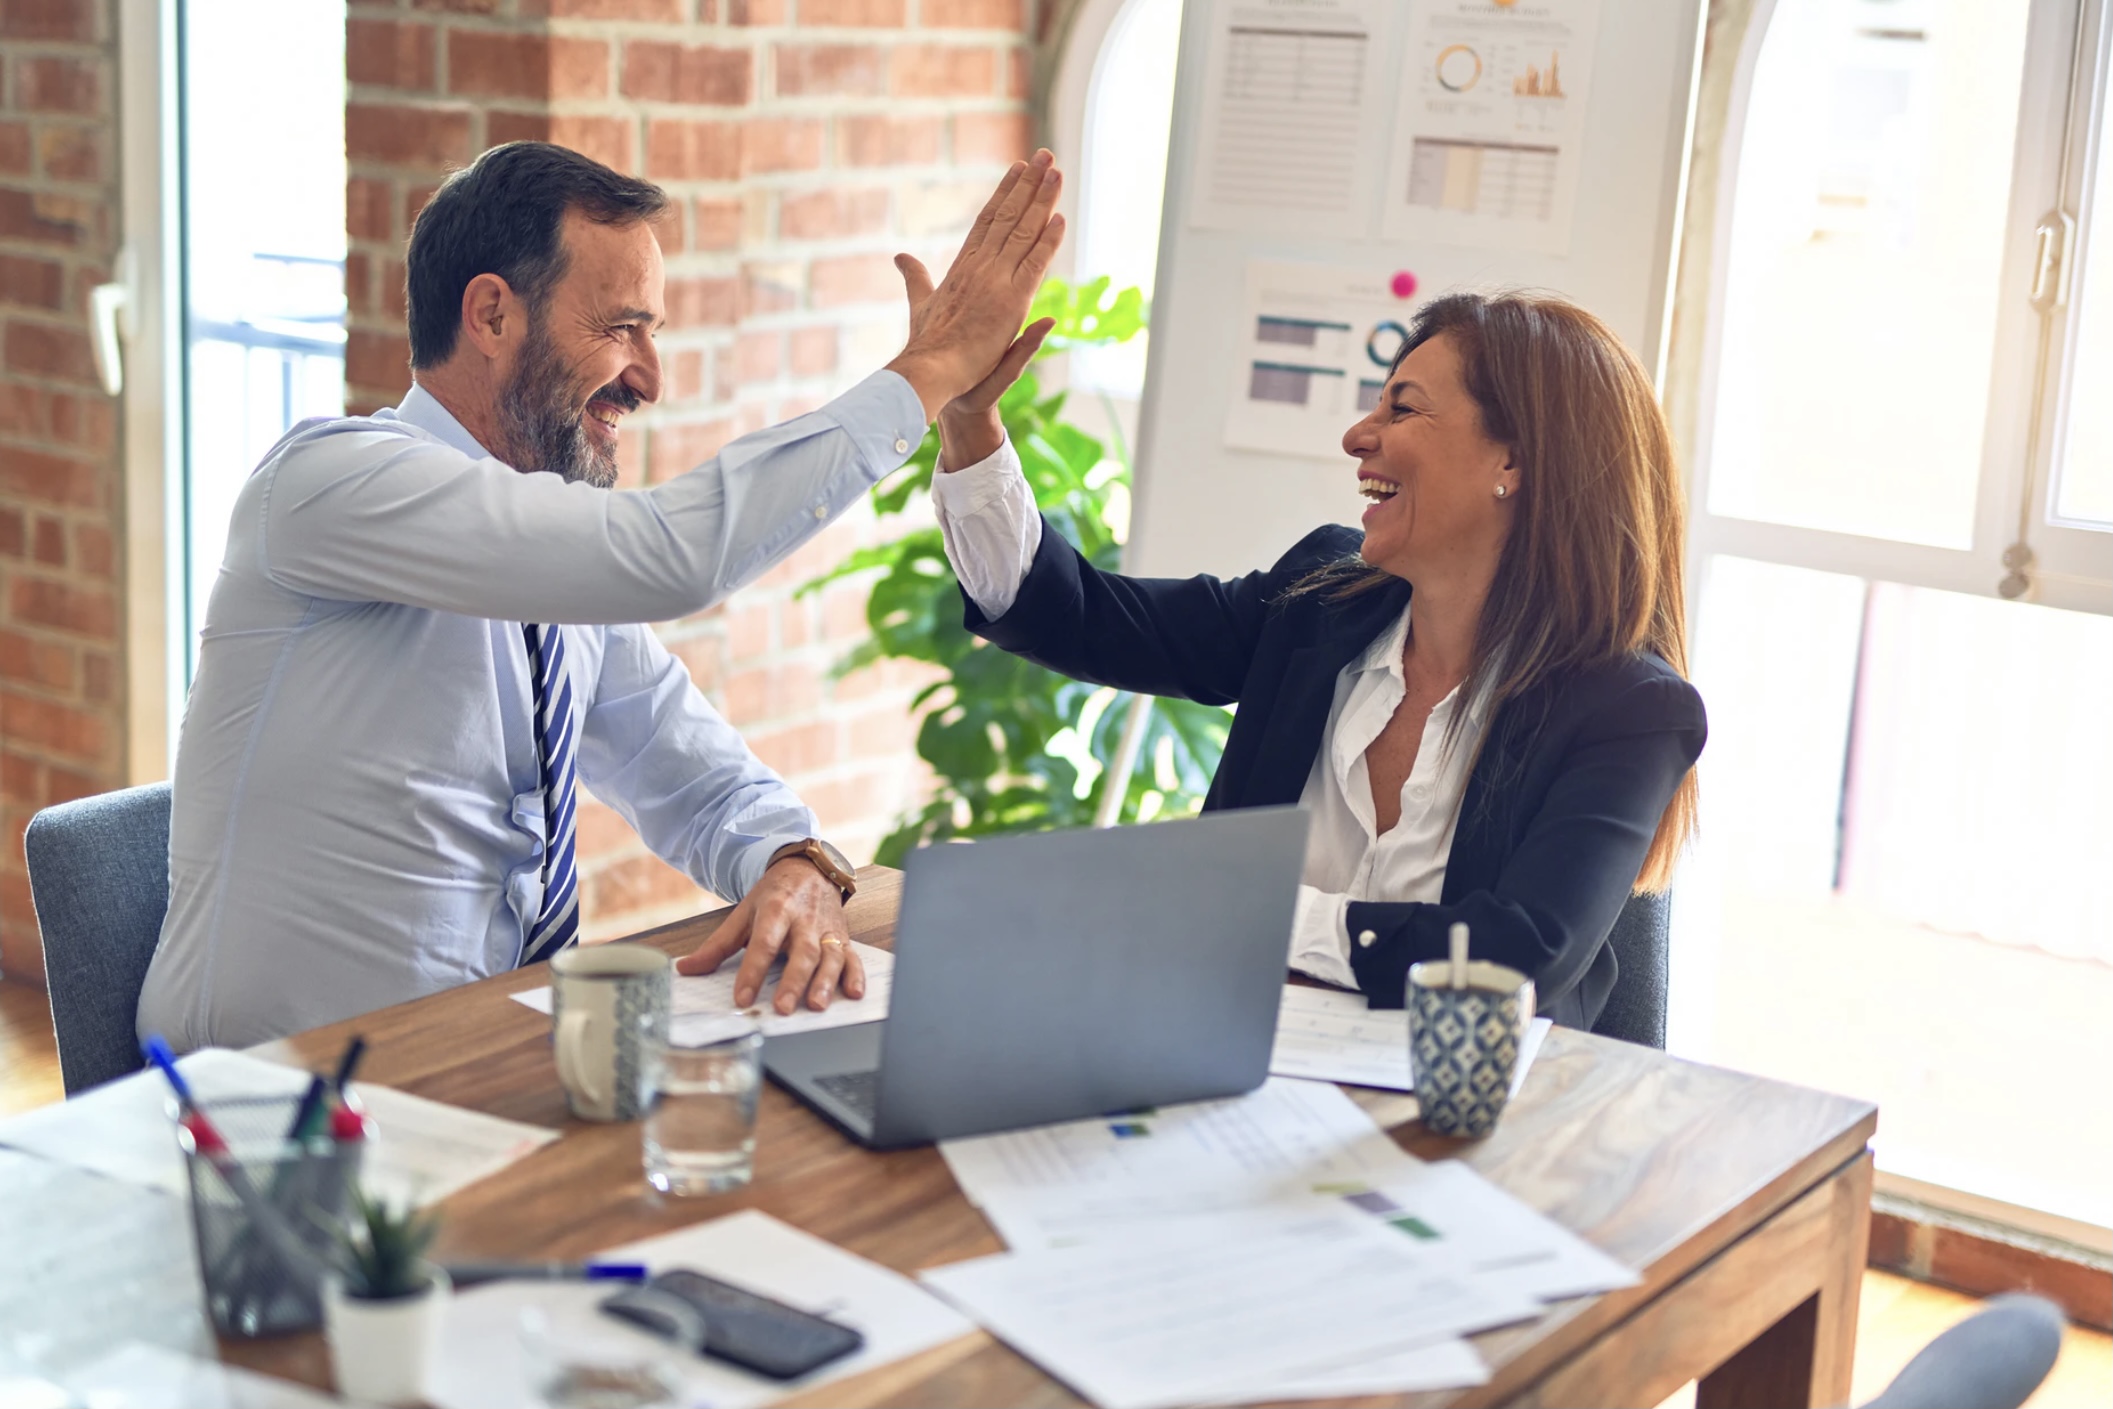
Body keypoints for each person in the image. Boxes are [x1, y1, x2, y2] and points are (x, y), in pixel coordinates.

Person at [138, 141, 1066, 1050]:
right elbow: (673, 555)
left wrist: (794, 861)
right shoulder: (330, 484)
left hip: (480, 1068)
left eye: (652, 333)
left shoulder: (552, 569)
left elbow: (692, 771)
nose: (649, 378)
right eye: (622, 327)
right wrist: (930, 370)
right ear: (492, 316)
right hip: (268, 1107)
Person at [927, 291, 1704, 1028]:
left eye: (1401, 407)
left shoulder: (1628, 710)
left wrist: (1248, 910)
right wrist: (970, 421)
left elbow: (1513, 958)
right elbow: (1079, 617)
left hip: (1468, 1126)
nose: (1358, 436)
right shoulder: (1318, 602)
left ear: (1513, 462)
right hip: (1229, 1064)